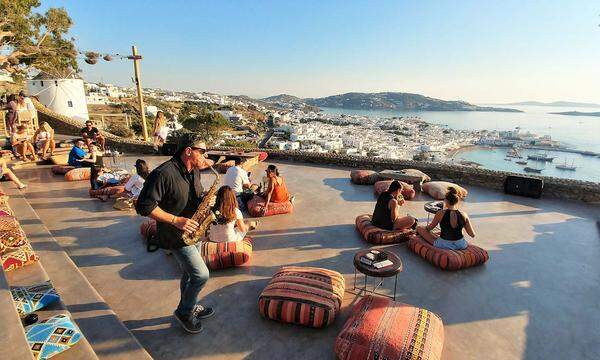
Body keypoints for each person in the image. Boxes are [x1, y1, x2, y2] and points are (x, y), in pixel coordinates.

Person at [135, 134, 214, 334]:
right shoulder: (163, 173)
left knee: (188, 274)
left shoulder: (194, 171)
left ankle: (190, 304)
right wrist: (176, 220)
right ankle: (184, 312)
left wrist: (207, 201)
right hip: (174, 233)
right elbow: (144, 206)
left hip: (193, 229)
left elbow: (195, 196)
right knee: (201, 275)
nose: (205, 155)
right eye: (202, 151)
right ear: (189, 151)